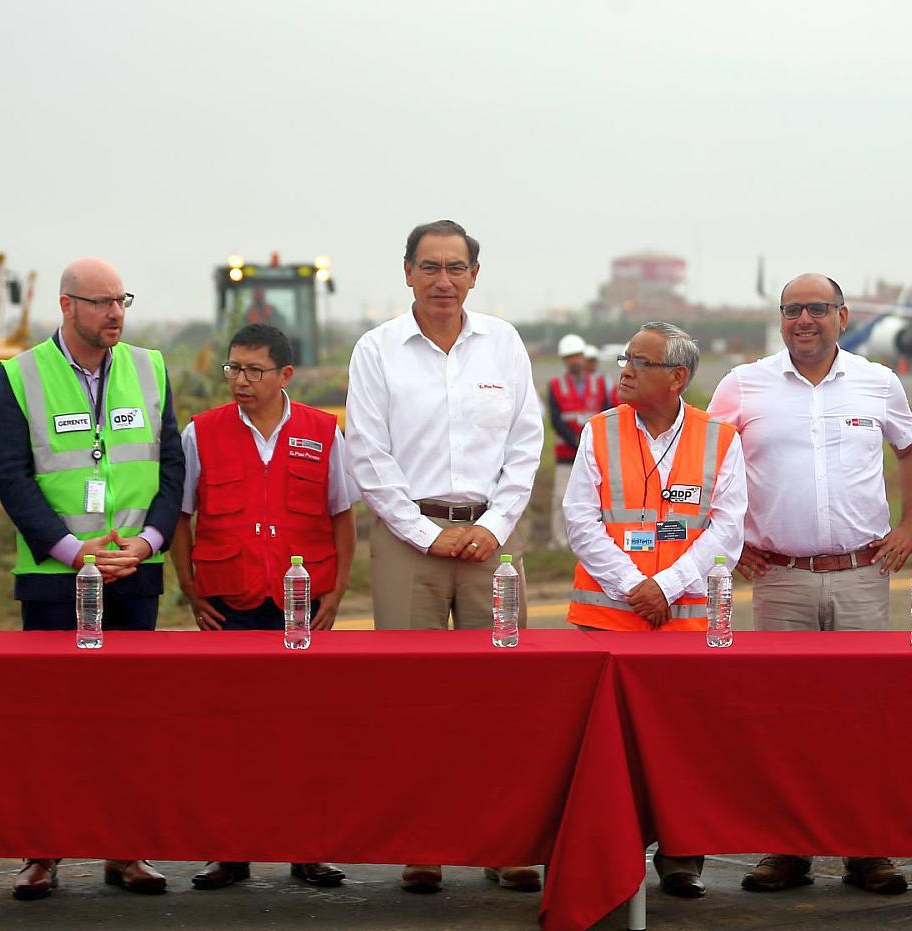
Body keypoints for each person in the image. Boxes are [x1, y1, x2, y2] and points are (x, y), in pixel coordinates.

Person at [707, 272, 912, 897]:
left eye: (817, 309)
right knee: (784, 719)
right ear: (781, 319)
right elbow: (705, 456)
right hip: (780, 577)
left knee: (863, 717)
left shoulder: (878, 382)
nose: (805, 320)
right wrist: (733, 536)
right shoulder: (743, 385)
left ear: (843, 315)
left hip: (861, 574)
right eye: (793, 310)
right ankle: (787, 848)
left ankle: (867, 849)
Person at [345, 219, 543, 894]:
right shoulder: (377, 351)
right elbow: (368, 454)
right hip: (410, 542)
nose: (443, 281)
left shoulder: (504, 345)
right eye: (429, 267)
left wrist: (495, 525)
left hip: (493, 543)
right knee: (414, 699)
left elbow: (525, 443)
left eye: (456, 268)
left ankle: (504, 839)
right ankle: (423, 840)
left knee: (502, 697)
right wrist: (425, 534)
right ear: (406, 273)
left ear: (474, 275)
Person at [0, 256, 184, 900]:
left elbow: (172, 471)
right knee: (51, 720)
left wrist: (150, 542)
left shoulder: (150, 368)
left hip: (134, 572)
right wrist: (73, 550)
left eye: (121, 300)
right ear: (67, 306)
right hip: (55, 577)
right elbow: (12, 478)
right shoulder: (20, 376)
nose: (115, 314)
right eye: (101, 302)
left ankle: (125, 852)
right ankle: (42, 852)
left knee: (128, 721)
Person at [171, 322, 355, 891]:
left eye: (254, 370)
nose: (241, 381)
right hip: (231, 603)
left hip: (302, 606)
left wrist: (338, 591)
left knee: (304, 731)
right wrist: (191, 589)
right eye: (233, 368)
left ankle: (308, 848)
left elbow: (342, 517)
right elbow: (180, 517)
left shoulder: (324, 432)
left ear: (285, 375)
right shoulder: (201, 433)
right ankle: (230, 850)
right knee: (231, 732)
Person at [564, 321, 745, 898]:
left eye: (638, 362)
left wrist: (667, 587)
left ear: (677, 377)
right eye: (624, 358)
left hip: (686, 623)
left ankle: (681, 854)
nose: (624, 369)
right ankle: (611, 851)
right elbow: (580, 522)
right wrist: (631, 585)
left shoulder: (720, 439)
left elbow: (727, 530)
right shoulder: (598, 432)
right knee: (607, 748)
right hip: (608, 622)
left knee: (684, 745)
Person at [546, 333, 610, 549]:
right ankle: (560, 542)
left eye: (577, 356)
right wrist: (575, 441)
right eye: (569, 357)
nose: (574, 360)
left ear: (583, 357)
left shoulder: (599, 384)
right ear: (564, 360)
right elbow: (555, 420)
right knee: (560, 499)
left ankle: (594, 542)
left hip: (595, 453)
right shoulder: (555, 385)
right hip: (566, 454)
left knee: (596, 500)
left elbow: (606, 414)